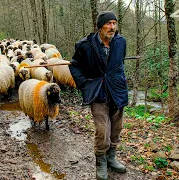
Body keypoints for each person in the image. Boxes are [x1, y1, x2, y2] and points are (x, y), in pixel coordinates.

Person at [69, 11, 128, 180]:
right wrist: (84, 84)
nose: (112, 27)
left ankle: (111, 158)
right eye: (108, 23)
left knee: (116, 127)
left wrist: (120, 79)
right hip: (98, 91)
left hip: (117, 90)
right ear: (100, 26)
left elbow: (119, 63)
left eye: (114, 24)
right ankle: (101, 161)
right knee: (102, 129)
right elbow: (75, 66)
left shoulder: (121, 42)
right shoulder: (85, 45)